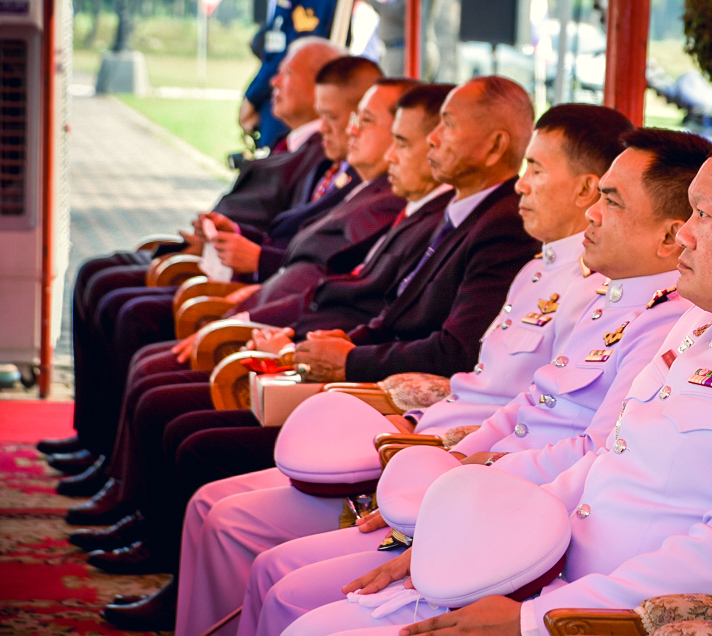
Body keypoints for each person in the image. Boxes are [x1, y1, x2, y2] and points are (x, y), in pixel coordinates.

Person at [270, 131, 712, 636]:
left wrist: (534, 620)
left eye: (704, 216)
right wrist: (470, 541)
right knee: (313, 617)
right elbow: (608, 461)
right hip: (555, 579)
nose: (682, 232)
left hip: (617, 622)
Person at [170, 104, 638, 636]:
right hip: (433, 452)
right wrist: (438, 452)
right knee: (216, 508)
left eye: (535, 169)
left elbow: (559, 429)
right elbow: (510, 400)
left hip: (472, 484)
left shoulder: (596, 290)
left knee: (269, 568)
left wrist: (451, 466)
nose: (520, 185)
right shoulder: (540, 268)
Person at [87, 77, 538, 621]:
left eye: (539, 172)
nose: (433, 140)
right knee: (182, 425)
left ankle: (173, 580)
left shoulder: (504, 226)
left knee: (192, 439)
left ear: (494, 145)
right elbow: (388, 307)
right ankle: (171, 574)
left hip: (407, 416)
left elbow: (456, 353)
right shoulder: (465, 213)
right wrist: (336, 344)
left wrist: (346, 358)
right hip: (381, 387)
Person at [49, 38, 344, 478]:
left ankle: (112, 468)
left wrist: (254, 260)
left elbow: (318, 261)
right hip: (231, 265)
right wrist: (224, 235)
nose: (274, 82)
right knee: (97, 275)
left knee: (125, 306)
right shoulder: (306, 149)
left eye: (286, 73)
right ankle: (95, 443)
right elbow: (289, 231)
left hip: (256, 290)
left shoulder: (330, 159)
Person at [242, 0, 336, 148]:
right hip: (272, 90)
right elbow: (275, 37)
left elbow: (294, 57)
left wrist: (252, 98)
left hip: (289, 93)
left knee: (278, 153)